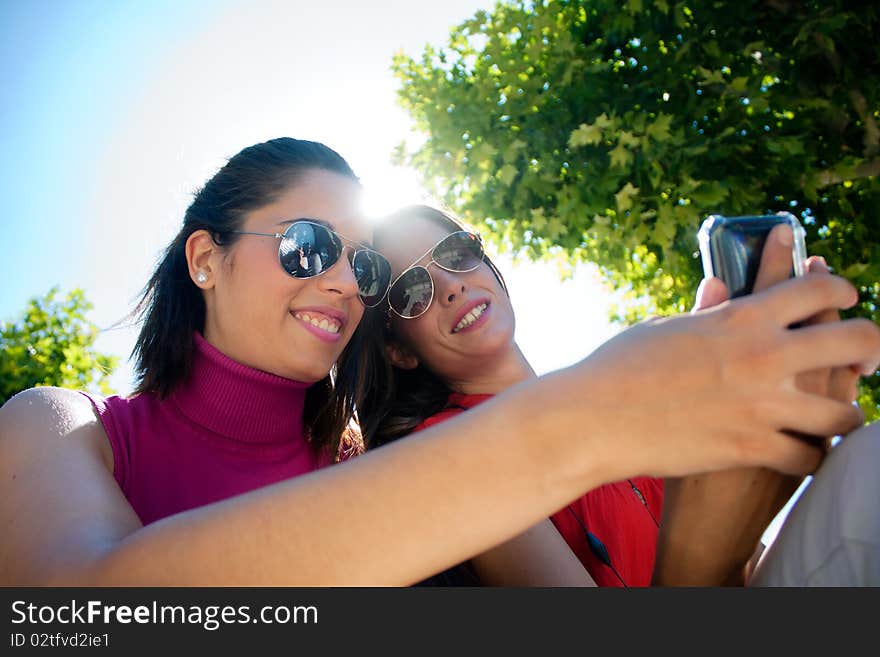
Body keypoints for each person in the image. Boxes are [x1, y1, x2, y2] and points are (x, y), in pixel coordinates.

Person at [1, 137, 877, 586]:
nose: (345, 281)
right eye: (311, 246)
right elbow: (80, 613)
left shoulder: (372, 462)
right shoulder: (64, 427)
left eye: (365, 265)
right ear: (205, 258)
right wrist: (603, 412)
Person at [360, 204, 879, 586]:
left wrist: (758, 477)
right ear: (400, 352)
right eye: (412, 292)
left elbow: (744, 575)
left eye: (456, 254)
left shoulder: (625, 407)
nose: (450, 286)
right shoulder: (447, 448)